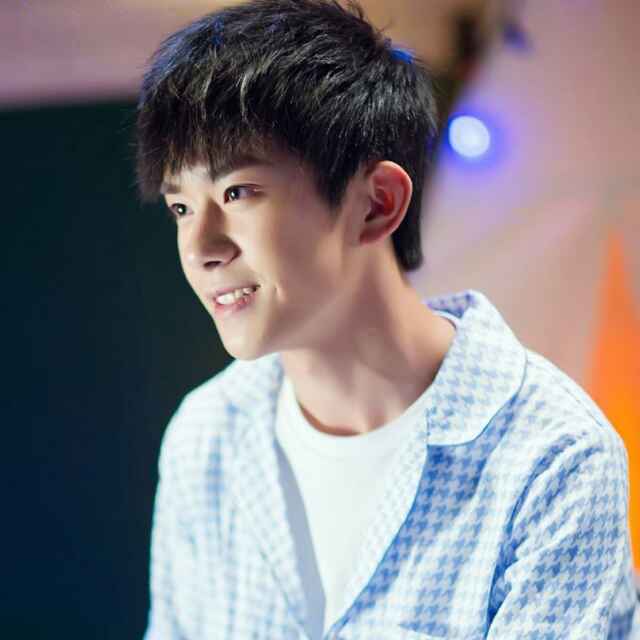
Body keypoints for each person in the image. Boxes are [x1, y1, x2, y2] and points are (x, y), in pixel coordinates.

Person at [134, 1, 639, 638]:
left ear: (377, 203)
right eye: (181, 207)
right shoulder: (206, 436)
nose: (201, 247)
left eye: (238, 193)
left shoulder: (553, 459)